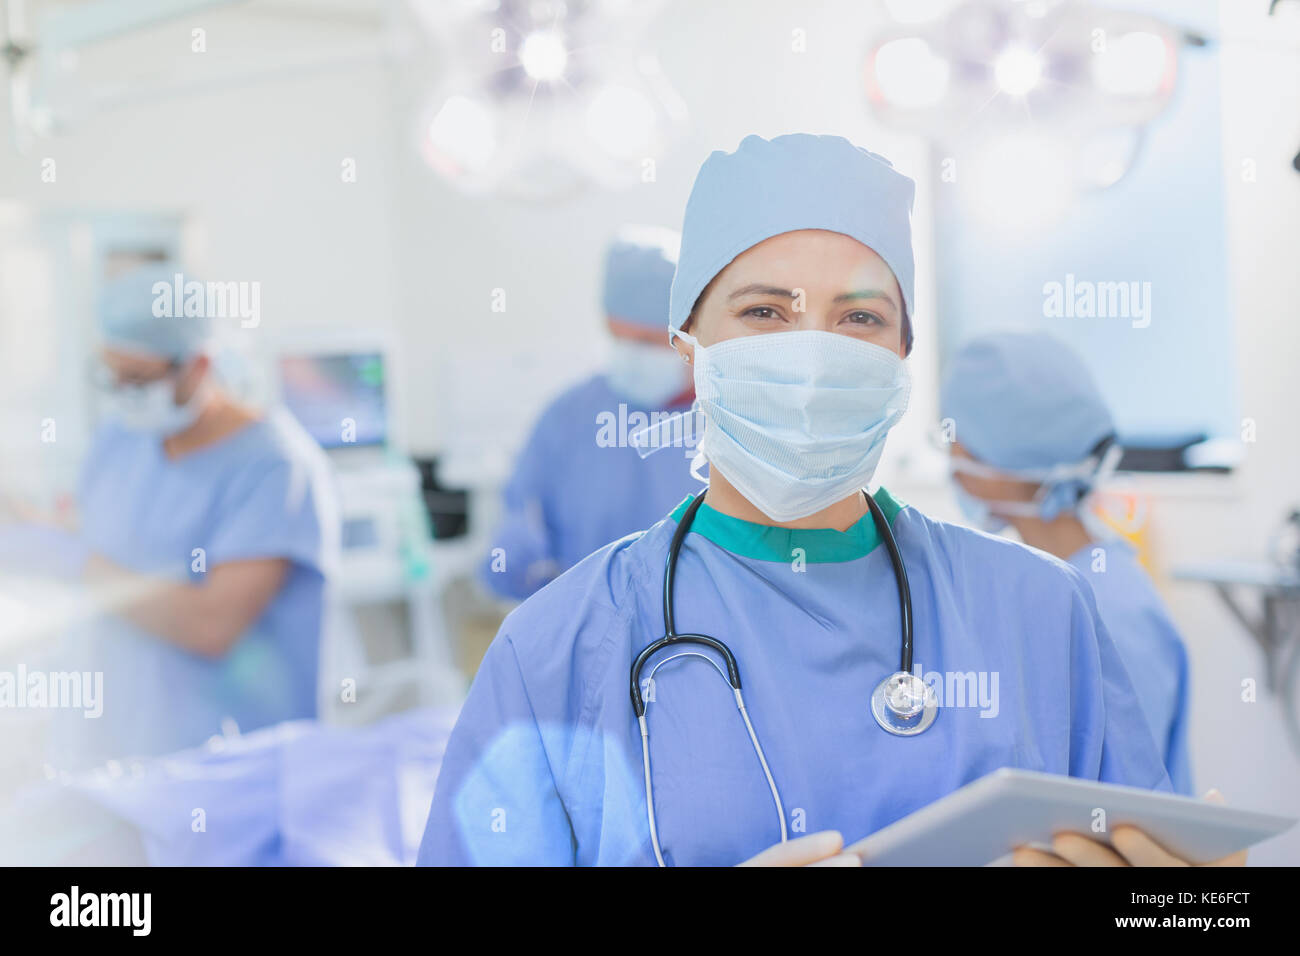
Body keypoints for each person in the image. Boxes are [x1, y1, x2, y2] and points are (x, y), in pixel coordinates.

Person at [420, 134, 1239, 867]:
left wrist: (1190, 909)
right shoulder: (559, 651)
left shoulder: (1042, 614)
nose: (812, 356)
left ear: (904, 349)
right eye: (765, 312)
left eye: (859, 317)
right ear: (689, 343)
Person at [56, 264, 338, 767]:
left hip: (224, 765)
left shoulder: (275, 467)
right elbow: (97, 537)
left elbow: (212, 626)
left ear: (200, 364)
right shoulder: (120, 439)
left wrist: (73, 564)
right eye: (112, 375)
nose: (123, 393)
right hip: (112, 745)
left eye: (138, 378)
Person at [940, 331, 1193, 794]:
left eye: (958, 442)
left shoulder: (1111, 611)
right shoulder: (1048, 580)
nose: (952, 461)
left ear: (1004, 460)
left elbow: (1125, 807)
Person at [479, 226, 700, 600]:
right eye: (617, 337)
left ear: (692, 331)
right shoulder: (569, 418)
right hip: (593, 639)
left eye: (647, 341)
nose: (630, 354)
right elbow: (520, 517)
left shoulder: (739, 421)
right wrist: (512, 550)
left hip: (708, 646)